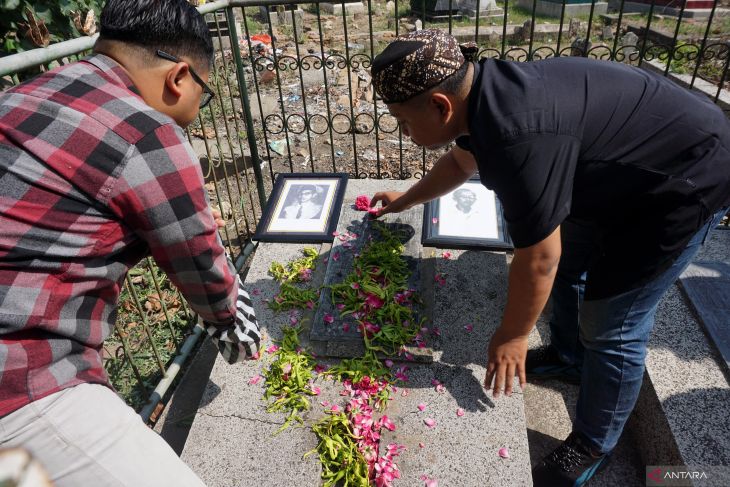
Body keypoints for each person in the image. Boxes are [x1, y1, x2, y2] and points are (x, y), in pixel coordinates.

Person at [368, 29, 730, 486]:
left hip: (684, 181)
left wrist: (513, 334)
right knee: (572, 262)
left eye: (402, 120)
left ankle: (594, 441)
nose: (403, 130)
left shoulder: (516, 135)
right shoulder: (483, 95)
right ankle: (568, 355)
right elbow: (460, 164)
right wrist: (405, 200)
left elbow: (539, 257)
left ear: (441, 105)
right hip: (622, 169)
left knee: (613, 323)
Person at [0, 1, 261, 486]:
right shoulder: (148, 132)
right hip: (21, 380)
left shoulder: (22, 95)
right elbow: (204, 269)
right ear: (179, 77)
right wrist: (240, 333)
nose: (196, 115)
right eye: (203, 96)